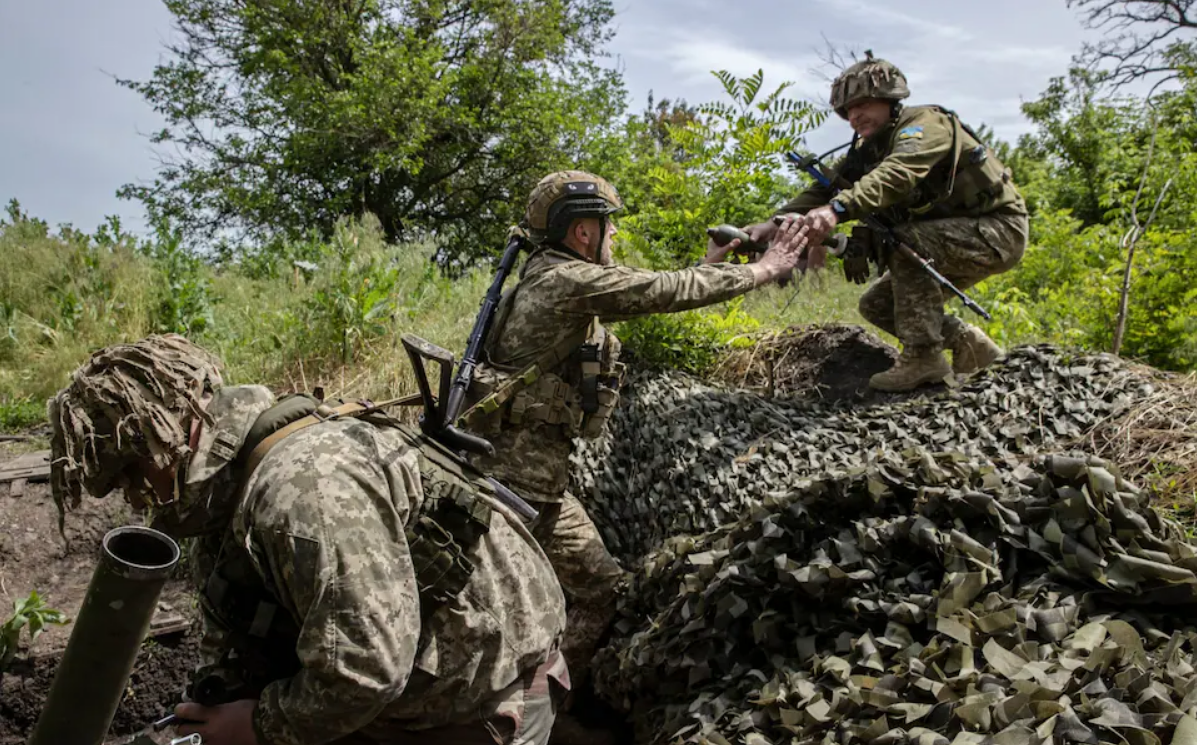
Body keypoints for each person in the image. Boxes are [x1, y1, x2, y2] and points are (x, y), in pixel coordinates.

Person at [47, 334, 569, 745]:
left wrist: (258, 727)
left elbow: (366, 669)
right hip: (397, 693)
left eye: (132, 476)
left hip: (480, 699)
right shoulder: (225, 491)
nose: (135, 500)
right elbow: (233, 621)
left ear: (168, 439)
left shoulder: (301, 492)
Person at [457, 170, 807, 681]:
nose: (614, 235)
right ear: (582, 232)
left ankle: (548, 696)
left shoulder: (549, 275)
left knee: (604, 590)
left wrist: (708, 268)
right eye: (609, 225)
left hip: (539, 485)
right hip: (512, 488)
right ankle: (494, 704)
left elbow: (648, 291)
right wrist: (764, 269)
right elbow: (659, 290)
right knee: (487, 612)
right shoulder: (564, 280)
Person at [742, 52, 1029, 391]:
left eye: (862, 104)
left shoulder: (924, 125)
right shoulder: (868, 151)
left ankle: (924, 357)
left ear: (890, 100)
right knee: (878, 305)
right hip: (957, 237)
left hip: (998, 231)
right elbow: (821, 191)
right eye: (847, 111)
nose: (854, 117)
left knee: (910, 240)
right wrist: (770, 225)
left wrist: (837, 210)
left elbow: (895, 175)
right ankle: (966, 341)